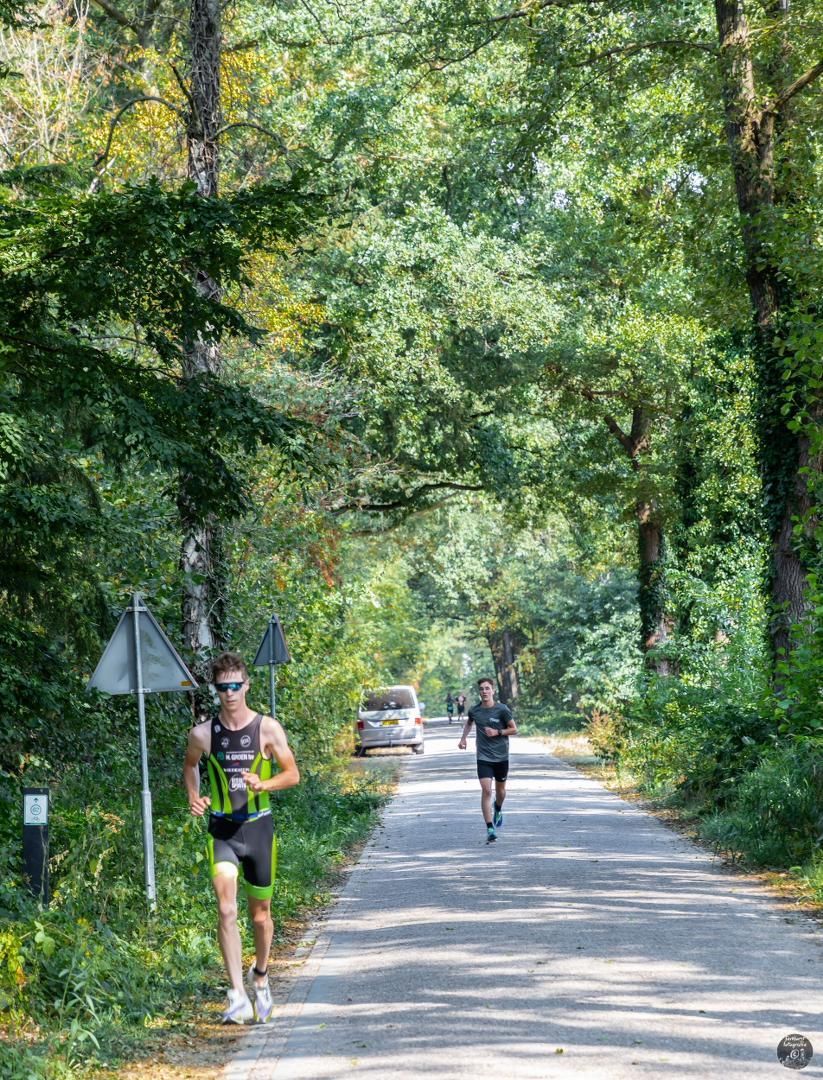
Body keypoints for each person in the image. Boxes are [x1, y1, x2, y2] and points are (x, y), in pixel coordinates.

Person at [183, 651, 300, 1024]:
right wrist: (193, 796)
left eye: (236, 685)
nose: (230, 693)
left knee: (261, 916)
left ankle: (261, 976)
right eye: (223, 687)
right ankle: (236, 994)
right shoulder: (203, 734)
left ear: (246, 685)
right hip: (222, 830)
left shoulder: (268, 728)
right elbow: (189, 766)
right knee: (226, 907)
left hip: (259, 829)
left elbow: (292, 774)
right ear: (216, 690)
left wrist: (263, 782)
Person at [458, 677, 517, 844]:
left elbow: (514, 729)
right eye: (481, 689)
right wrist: (463, 739)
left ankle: (498, 808)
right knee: (487, 791)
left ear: (493, 691)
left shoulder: (502, 710)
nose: (484, 691)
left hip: (501, 757)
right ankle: (490, 828)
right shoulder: (475, 711)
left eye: (487, 688)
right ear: (479, 692)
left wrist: (497, 732)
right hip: (483, 757)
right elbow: (469, 723)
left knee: (500, 792)